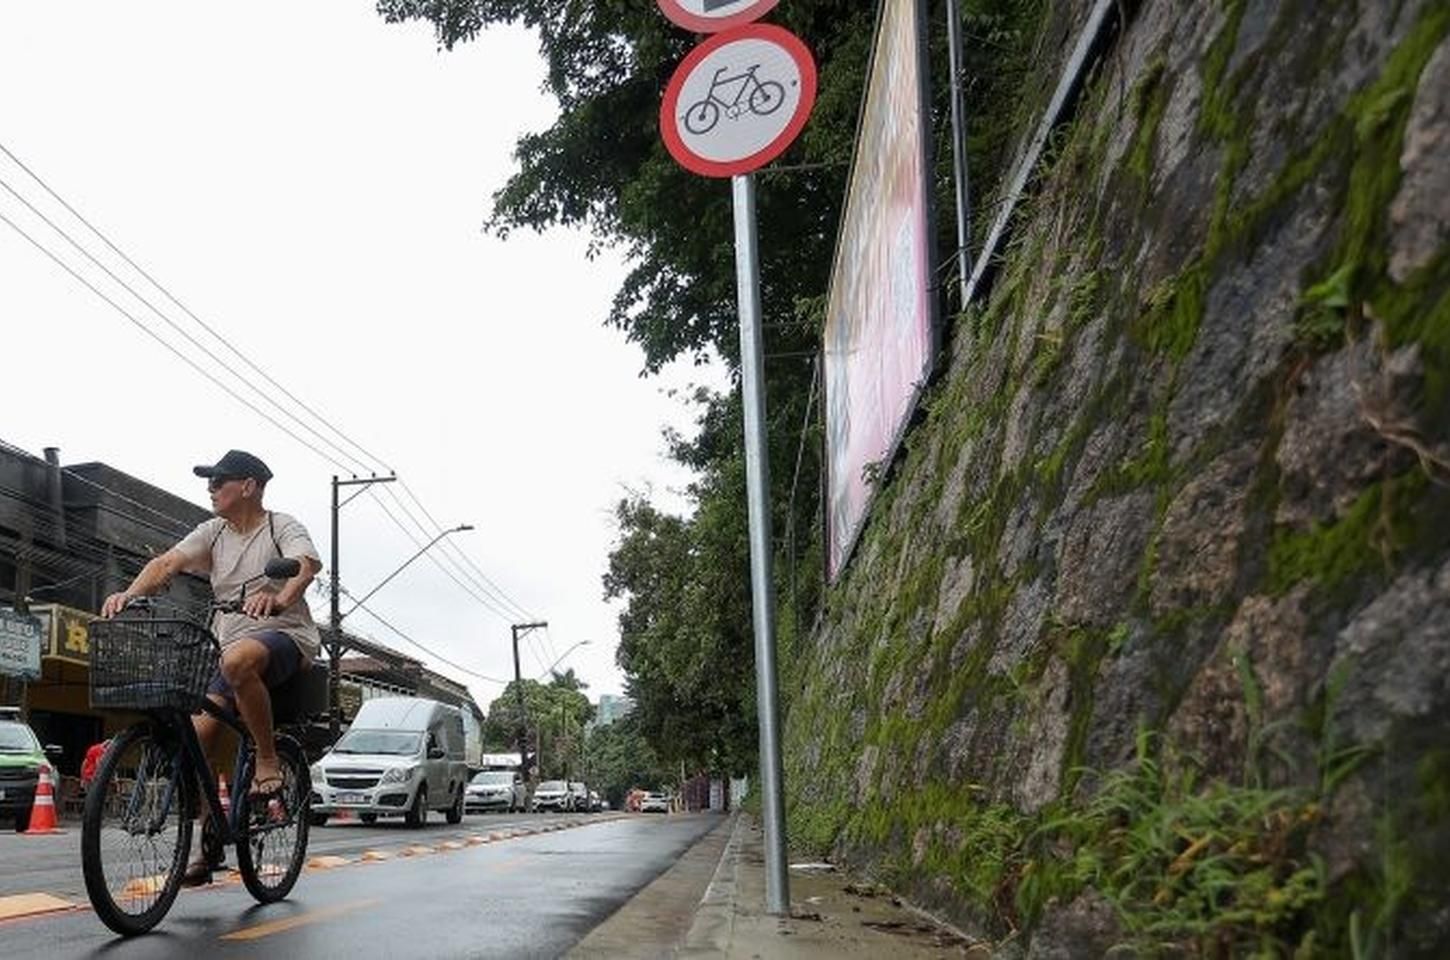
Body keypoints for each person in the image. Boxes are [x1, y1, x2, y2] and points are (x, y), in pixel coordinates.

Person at [100, 450, 322, 883]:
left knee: (238, 660)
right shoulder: (214, 532)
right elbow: (167, 563)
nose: (211, 489)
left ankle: (268, 760)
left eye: (220, 481)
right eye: (210, 482)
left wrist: (278, 598)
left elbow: (305, 567)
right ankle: (210, 843)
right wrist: (128, 594)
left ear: (249, 486)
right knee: (195, 739)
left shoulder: (282, 526)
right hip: (229, 645)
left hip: (284, 637)